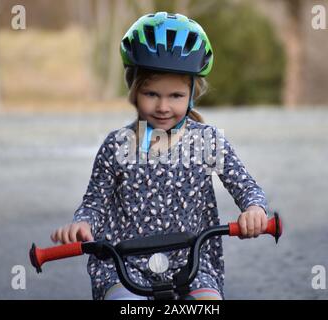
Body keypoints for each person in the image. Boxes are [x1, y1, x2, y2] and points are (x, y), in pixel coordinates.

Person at [51, 12, 268, 300]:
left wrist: (254, 209)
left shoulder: (207, 141)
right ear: (133, 91)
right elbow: (94, 202)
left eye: (175, 96)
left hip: (191, 263)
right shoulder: (117, 146)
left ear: (192, 93)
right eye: (151, 94)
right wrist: (82, 224)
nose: (163, 106)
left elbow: (246, 187)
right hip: (125, 265)